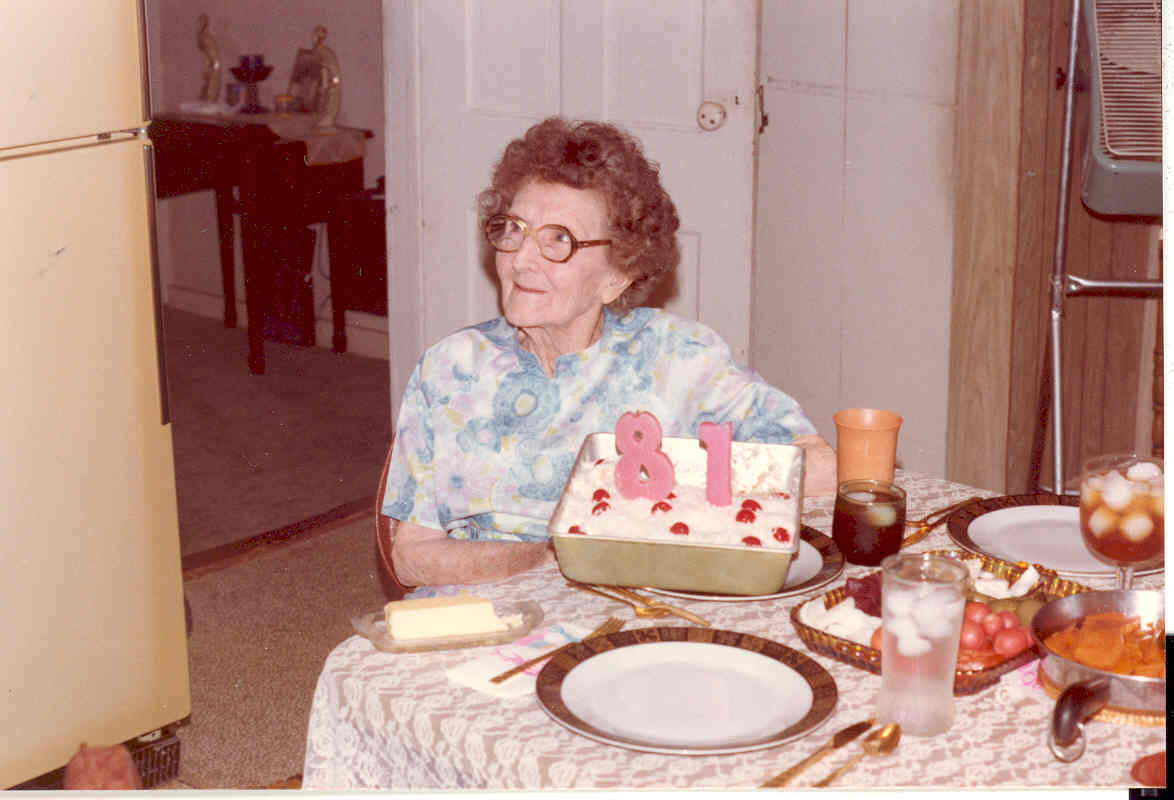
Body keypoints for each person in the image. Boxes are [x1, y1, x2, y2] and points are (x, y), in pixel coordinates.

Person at [384, 117, 836, 589]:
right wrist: (557, 557)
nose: (521, 259)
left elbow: (821, 467)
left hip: (641, 596)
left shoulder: (676, 357)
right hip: (483, 607)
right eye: (514, 229)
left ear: (616, 275)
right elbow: (411, 557)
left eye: (559, 239)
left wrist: (680, 494)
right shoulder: (450, 368)